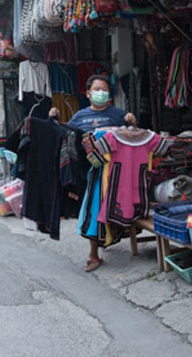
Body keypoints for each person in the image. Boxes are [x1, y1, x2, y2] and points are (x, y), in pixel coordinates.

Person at [49, 74, 136, 272]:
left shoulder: (118, 114)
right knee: (93, 210)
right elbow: (67, 136)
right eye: (97, 90)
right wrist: (56, 120)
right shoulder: (80, 117)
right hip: (90, 173)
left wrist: (133, 123)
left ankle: (108, 239)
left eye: (105, 90)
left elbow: (133, 139)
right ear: (88, 94)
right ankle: (93, 253)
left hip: (116, 172)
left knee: (115, 209)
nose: (101, 93)